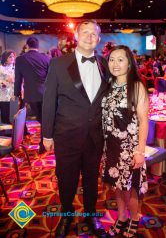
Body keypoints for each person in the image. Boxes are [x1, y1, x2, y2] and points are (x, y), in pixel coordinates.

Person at [42, 20, 109, 238]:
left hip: (95, 136)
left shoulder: (104, 64)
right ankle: (66, 214)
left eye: (94, 34)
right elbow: (49, 100)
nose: (90, 37)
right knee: (66, 178)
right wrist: (47, 134)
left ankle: (90, 215)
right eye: (85, 33)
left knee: (91, 178)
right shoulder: (58, 64)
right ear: (76, 37)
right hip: (66, 135)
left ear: (98, 39)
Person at [101, 45, 149, 238]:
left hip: (129, 148)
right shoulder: (108, 86)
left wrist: (140, 151)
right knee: (117, 187)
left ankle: (134, 217)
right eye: (112, 59)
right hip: (110, 146)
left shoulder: (136, 86)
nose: (115, 64)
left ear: (129, 63)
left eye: (121, 59)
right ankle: (121, 217)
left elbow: (144, 121)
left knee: (130, 188)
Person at [14, 36, 50, 154]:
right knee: (43, 119)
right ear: (38, 46)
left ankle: (44, 142)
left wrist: (17, 94)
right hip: (46, 93)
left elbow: (18, 79)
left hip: (31, 94)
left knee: (41, 118)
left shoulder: (20, 59)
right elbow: (51, 78)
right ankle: (45, 141)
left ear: (27, 45)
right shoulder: (46, 58)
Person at [0, 50, 16, 124]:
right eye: (10, 57)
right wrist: (4, 82)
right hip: (3, 95)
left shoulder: (15, 68)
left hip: (13, 95)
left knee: (14, 114)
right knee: (5, 115)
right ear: (5, 58)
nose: (12, 58)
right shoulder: (1, 68)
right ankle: (5, 132)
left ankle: (13, 131)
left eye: (13, 56)